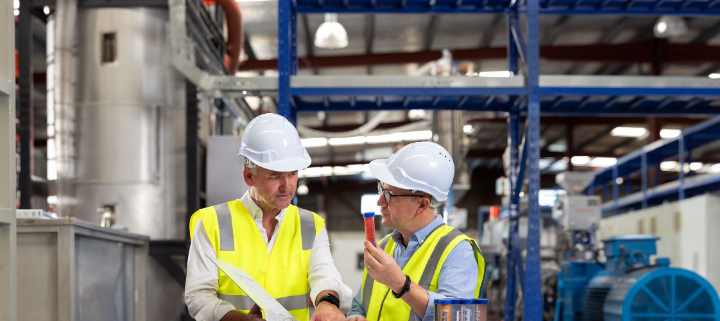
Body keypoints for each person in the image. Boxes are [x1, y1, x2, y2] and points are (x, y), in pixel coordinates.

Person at [185, 114, 351, 321]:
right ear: (248, 176)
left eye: (292, 174)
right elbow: (198, 296)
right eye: (275, 176)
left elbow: (324, 273)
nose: (287, 186)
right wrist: (240, 319)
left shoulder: (311, 225)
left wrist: (327, 303)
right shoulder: (212, 223)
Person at [346, 142, 485, 321]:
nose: (380, 201)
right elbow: (360, 305)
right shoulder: (383, 246)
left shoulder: (458, 251)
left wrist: (401, 284)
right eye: (381, 189)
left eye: (389, 194)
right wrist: (355, 316)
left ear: (422, 204)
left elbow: (457, 318)